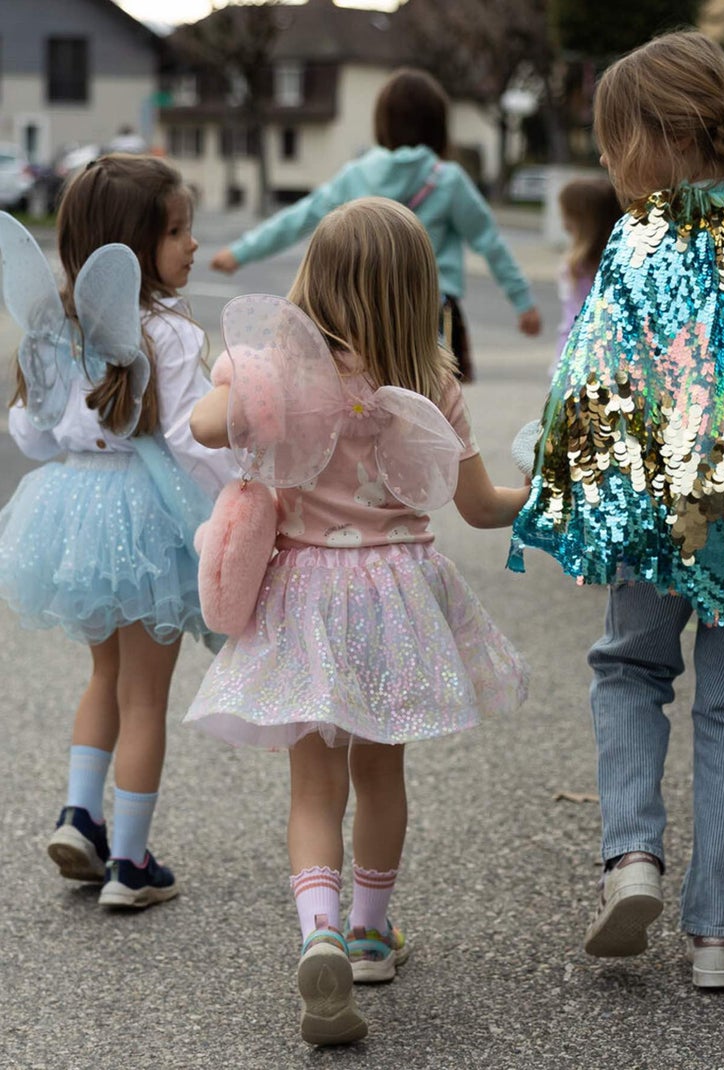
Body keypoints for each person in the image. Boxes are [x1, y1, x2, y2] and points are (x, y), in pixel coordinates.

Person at [187, 196, 530, 1045]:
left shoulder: (282, 381)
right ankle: (374, 934)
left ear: (315, 282)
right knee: (382, 775)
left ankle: (321, 934)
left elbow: (200, 425)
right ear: (419, 292)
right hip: (396, 600)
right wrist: (556, 490)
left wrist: (245, 378)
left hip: (305, 594)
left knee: (313, 782)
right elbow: (483, 508)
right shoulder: (434, 385)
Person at [508, 30, 724, 989]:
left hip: (659, 513)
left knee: (629, 670)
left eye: (612, 142)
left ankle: (631, 858)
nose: (605, 163)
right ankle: (717, 938)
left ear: (662, 135)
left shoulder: (642, 237)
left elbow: (589, 379)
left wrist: (559, 480)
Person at [0, 154, 236, 909]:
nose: (192, 245)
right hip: (148, 520)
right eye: (176, 232)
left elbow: (32, 437)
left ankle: (80, 814)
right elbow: (197, 441)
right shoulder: (164, 331)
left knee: (104, 676)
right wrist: (241, 500)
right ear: (128, 248)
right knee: (145, 698)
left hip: (72, 515)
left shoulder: (52, 329)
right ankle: (129, 865)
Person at [209, 67, 541, 383]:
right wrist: (522, 302)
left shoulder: (358, 175)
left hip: (364, 307)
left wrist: (240, 252)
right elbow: (490, 242)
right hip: (430, 307)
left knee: (368, 395)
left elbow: (298, 218)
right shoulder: (448, 180)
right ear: (439, 126)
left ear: (382, 123)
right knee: (438, 400)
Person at [555, 177, 620, 356]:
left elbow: (574, 322)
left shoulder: (578, 268)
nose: (563, 222)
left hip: (580, 359)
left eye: (566, 214)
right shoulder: (618, 262)